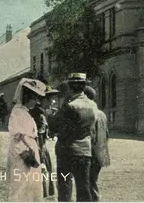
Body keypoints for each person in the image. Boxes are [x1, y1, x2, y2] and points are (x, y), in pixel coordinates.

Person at [49, 73, 97, 202]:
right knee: (83, 187)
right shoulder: (93, 105)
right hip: (85, 152)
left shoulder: (69, 106)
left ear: (70, 87)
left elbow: (54, 125)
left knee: (65, 187)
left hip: (67, 152)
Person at [7, 78, 47, 202]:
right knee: (21, 188)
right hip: (23, 157)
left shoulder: (25, 112)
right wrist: (27, 156)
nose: (35, 101)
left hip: (30, 153)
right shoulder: (18, 112)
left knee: (30, 188)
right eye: (33, 98)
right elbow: (16, 138)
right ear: (26, 97)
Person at [30, 85, 59, 200]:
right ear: (42, 99)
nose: (53, 101)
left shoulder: (37, 112)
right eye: (51, 98)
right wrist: (41, 160)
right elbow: (38, 140)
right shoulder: (39, 116)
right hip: (38, 151)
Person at [83, 86, 110, 202]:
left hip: (91, 153)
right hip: (101, 153)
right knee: (93, 180)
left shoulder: (89, 113)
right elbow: (107, 135)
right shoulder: (102, 114)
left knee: (89, 182)